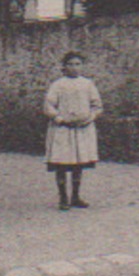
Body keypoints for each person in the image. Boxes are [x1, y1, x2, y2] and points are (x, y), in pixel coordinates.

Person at [44, 51, 102, 210]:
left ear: (82, 66)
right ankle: (63, 197)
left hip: (82, 129)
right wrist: (60, 119)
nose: (74, 68)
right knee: (61, 163)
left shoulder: (88, 84)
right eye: (70, 64)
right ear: (64, 66)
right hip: (63, 130)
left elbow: (97, 105)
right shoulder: (58, 85)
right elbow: (49, 106)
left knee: (78, 163)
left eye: (77, 64)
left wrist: (89, 118)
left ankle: (75, 196)